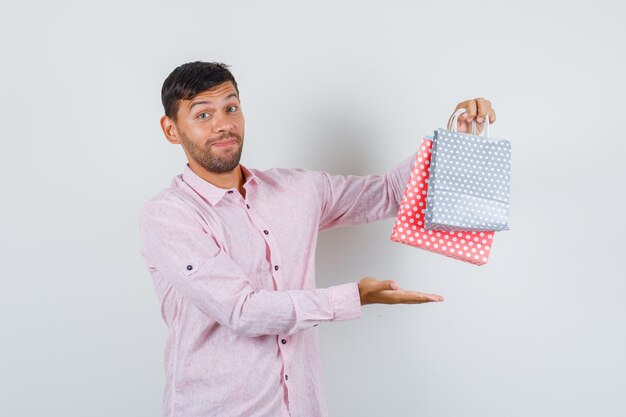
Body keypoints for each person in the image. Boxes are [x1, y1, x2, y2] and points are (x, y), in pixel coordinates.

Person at [138, 61, 496, 417]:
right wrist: (354, 297)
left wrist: (453, 147)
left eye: (231, 108)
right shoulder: (168, 216)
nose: (223, 125)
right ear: (171, 130)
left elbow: (387, 192)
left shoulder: (297, 190)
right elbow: (242, 310)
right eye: (202, 115)